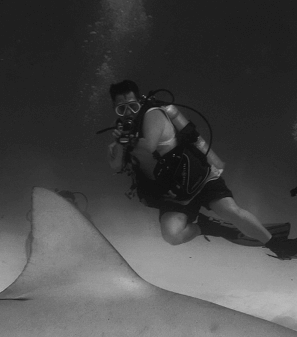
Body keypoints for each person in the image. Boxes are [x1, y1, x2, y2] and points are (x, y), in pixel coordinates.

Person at [105, 80, 278, 247]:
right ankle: (207, 227)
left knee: (232, 212)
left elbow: (149, 146)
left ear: (140, 103)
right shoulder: (122, 130)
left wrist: (125, 140)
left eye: (133, 106)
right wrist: (120, 143)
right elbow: (117, 166)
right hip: (174, 192)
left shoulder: (152, 114)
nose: (128, 113)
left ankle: (276, 244)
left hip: (199, 178)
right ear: (114, 109)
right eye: (122, 109)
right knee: (172, 236)